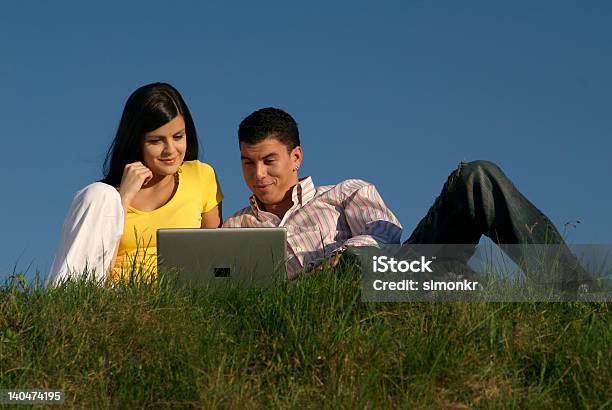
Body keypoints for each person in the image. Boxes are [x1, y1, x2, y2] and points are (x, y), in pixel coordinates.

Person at [222, 107, 594, 290]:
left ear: (295, 158)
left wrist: (337, 258)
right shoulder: (235, 227)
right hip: (311, 306)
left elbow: (385, 234)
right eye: (247, 163)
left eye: (269, 161)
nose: (258, 175)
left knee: (476, 177)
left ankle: (575, 291)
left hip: (389, 275)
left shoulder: (344, 193)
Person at [46, 83, 223, 287]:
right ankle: (67, 301)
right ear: (136, 141)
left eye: (178, 137)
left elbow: (217, 256)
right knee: (99, 193)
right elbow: (99, 272)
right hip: (114, 295)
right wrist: (123, 199)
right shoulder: (106, 198)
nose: (170, 150)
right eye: (156, 141)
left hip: (179, 294)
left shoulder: (201, 175)